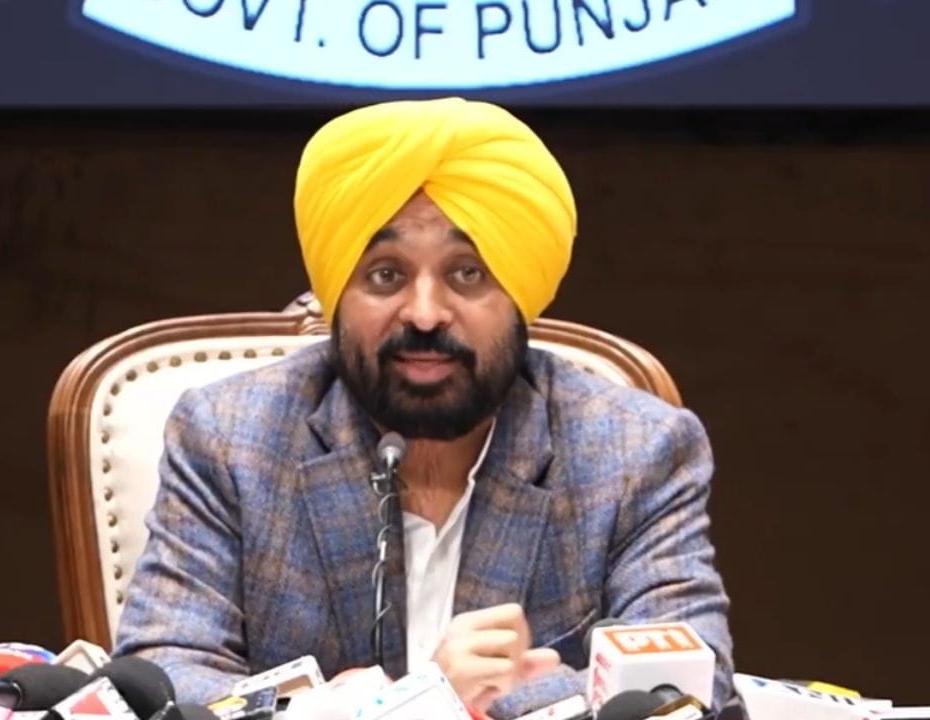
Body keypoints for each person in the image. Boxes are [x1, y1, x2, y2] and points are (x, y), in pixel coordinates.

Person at [113, 97, 734, 718]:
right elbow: (163, 679)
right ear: (336, 297)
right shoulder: (229, 439)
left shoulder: (635, 452)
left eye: (468, 274)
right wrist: (411, 704)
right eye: (386, 275)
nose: (426, 313)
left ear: (519, 298)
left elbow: (688, 687)